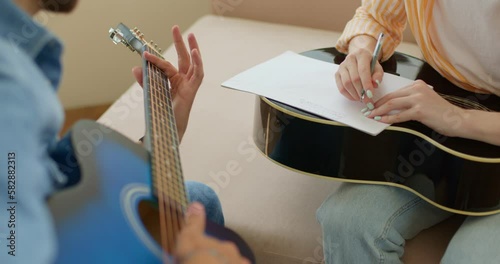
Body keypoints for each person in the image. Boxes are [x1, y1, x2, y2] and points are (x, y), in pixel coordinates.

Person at [0, 0, 247, 263]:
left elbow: (35, 172)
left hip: (49, 208)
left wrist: (169, 126)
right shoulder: (10, 84)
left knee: (201, 197)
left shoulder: (18, 55)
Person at [317, 0, 500, 263]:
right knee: (347, 221)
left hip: (458, 117)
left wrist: (457, 118)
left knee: (470, 258)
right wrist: (362, 49)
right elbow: (376, 16)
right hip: (444, 106)